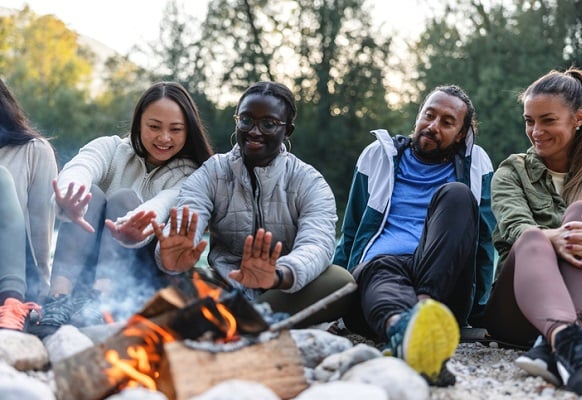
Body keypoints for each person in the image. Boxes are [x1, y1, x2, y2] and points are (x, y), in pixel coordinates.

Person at [151, 81, 355, 327]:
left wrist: (277, 275)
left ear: (287, 130)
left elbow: (317, 244)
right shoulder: (212, 173)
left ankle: (235, 323)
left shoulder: (309, 182)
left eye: (268, 124)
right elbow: (187, 216)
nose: (255, 131)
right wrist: (171, 257)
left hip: (283, 290)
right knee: (171, 280)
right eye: (246, 120)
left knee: (341, 282)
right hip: (226, 286)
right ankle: (251, 324)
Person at [333, 85, 495, 385]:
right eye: (428, 115)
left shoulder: (477, 164)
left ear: (461, 134)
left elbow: (484, 240)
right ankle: (404, 331)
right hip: (379, 276)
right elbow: (351, 229)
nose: (432, 127)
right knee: (380, 265)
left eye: (447, 122)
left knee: (458, 195)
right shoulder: (378, 156)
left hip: (441, 284)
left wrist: (480, 312)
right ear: (418, 116)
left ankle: (420, 313)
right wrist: (334, 305)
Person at [29, 81, 214, 337]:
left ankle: (101, 302)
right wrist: (71, 195)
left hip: (134, 281)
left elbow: (162, 204)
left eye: (175, 129)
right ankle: (57, 298)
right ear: (138, 123)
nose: (164, 138)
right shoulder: (111, 148)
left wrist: (139, 225)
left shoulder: (191, 176)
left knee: (124, 199)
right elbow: (81, 166)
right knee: (90, 194)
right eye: (154, 126)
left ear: (188, 131)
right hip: (85, 269)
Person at [484, 67, 582, 398]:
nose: (536, 131)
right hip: (517, 311)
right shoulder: (512, 171)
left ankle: (561, 343)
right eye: (529, 120)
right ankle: (570, 344)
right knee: (533, 237)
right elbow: (515, 228)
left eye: (547, 120)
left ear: (578, 118)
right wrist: (556, 238)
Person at [0, 78, 58, 331]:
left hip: (14, 283)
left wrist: (40, 291)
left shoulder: (34, 152)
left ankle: (12, 305)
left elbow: (40, 233)